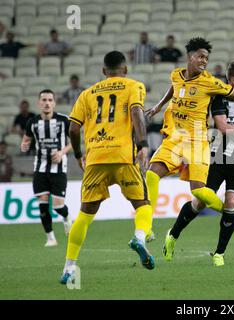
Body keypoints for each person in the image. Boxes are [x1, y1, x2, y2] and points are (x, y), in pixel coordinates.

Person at [144, 37, 234, 261]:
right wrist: (159, 105)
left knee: (232, 204)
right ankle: (172, 234)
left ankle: (219, 254)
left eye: (207, 57)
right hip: (216, 156)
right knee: (198, 200)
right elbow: (223, 127)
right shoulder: (215, 93)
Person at [59, 51, 155, 284]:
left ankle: (69, 267)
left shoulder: (87, 94)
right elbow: (136, 114)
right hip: (123, 156)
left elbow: (73, 129)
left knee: (85, 214)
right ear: (125, 69)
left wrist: (79, 155)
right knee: (142, 203)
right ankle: (139, 238)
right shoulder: (134, 86)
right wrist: (142, 144)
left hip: (95, 159)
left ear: (104, 71)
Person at [20, 90, 73, 247]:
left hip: (59, 169)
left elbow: (75, 141)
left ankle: (67, 217)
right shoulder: (32, 122)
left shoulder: (64, 120)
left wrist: (62, 152)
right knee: (42, 205)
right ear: (39, 103)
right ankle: (50, 238)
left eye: (50, 100)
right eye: (44, 100)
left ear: (54, 103)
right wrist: (24, 146)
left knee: (57, 206)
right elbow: (26, 141)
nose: (47, 103)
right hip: (40, 169)